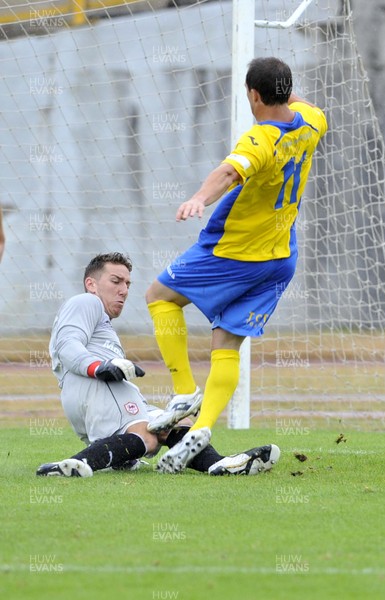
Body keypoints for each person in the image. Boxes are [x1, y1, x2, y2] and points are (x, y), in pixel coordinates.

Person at [145, 57, 328, 474]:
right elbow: (298, 103)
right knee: (226, 342)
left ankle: (182, 391)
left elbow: (228, 173)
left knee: (159, 297)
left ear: (253, 95)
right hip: (280, 259)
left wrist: (198, 198)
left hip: (234, 253)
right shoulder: (314, 120)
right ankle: (201, 428)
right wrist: (283, 91)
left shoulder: (260, 138)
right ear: (287, 91)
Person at [36, 252, 280, 477]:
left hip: (100, 390)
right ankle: (76, 465)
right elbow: (67, 344)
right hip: (93, 385)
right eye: (115, 281)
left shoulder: (101, 320)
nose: (124, 290)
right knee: (145, 435)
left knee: (176, 425)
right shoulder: (86, 302)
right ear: (91, 284)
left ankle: (218, 465)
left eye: (127, 284)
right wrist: (99, 367)